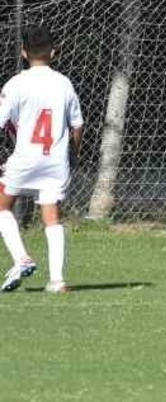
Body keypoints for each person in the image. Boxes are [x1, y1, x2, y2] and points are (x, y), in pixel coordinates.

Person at [0, 26, 83, 293]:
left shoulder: (15, 84)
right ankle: (57, 281)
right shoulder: (64, 83)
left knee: (2, 207)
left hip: (25, 158)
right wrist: (74, 154)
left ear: (24, 53)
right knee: (52, 217)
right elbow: (77, 125)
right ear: (54, 52)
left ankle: (22, 258)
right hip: (55, 160)